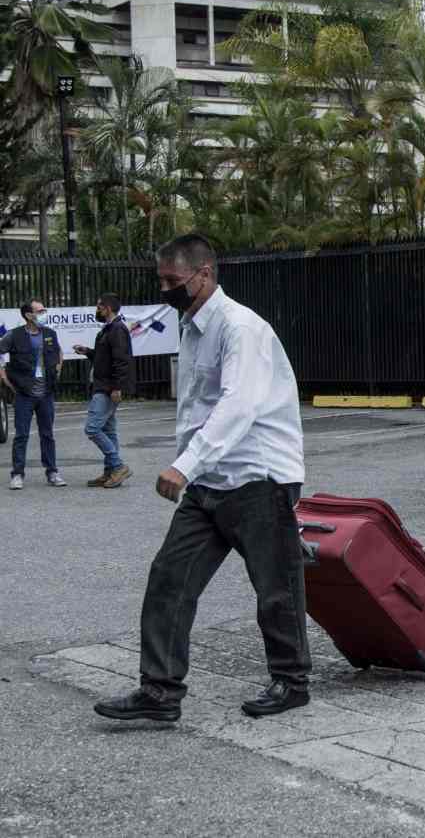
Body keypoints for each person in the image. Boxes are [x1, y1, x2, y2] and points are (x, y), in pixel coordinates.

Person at [94, 233, 312, 723]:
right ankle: (160, 691)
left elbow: (238, 405)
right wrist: (192, 465)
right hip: (210, 480)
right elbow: (196, 407)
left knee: (275, 587)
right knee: (170, 579)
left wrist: (183, 465)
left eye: (173, 279)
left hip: (258, 476)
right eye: (161, 280)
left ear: (205, 273)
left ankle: (292, 681)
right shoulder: (192, 327)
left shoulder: (240, 327)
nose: (166, 289)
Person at [0, 299, 66, 490]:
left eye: (44, 310)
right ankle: (17, 474)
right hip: (24, 394)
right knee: (21, 435)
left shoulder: (50, 333)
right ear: (29, 315)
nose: (44, 313)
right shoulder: (14, 335)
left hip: (46, 394)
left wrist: (58, 369)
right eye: (40, 311)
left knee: (47, 434)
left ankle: (52, 472)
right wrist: (4, 376)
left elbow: (59, 352)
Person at [73, 293, 135, 488]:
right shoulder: (108, 329)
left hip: (107, 388)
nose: (97, 310)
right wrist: (87, 352)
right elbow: (104, 358)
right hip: (103, 386)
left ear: (107, 309)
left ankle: (118, 466)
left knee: (92, 428)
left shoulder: (117, 329)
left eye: (99, 307)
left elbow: (121, 360)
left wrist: (117, 387)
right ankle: (110, 472)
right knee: (109, 430)